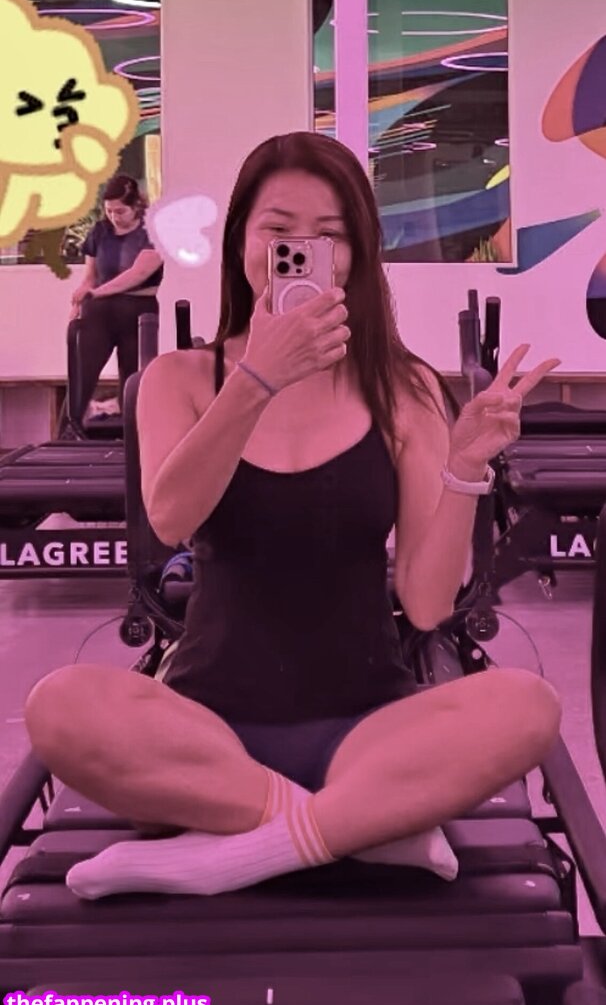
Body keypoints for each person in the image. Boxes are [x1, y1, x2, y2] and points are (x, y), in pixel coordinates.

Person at [25, 132, 562, 901]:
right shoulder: (179, 379)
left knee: (527, 707)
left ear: (356, 255)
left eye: (329, 235)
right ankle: (359, 829)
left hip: (369, 729)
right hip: (205, 735)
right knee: (60, 705)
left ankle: (237, 851)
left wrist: (466, 465)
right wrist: (256, 380)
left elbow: (427, 604)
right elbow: (170, 520)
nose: (302, 251)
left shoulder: (402, 387)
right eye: (278, 231)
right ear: (242, 243)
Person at [69, 174, 164, 411]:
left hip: (137, 310)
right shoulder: (100, 231)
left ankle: (132, 427)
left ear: (136, 207)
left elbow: (138, 274)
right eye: (109, 211)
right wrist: (78, 303)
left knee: (132, 377)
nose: (114, 217)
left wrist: (96, 293)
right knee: (83, 373)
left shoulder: (153, 231)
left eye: (120, 211)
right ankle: (71, 425)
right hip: (100, 311)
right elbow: (90, 278)